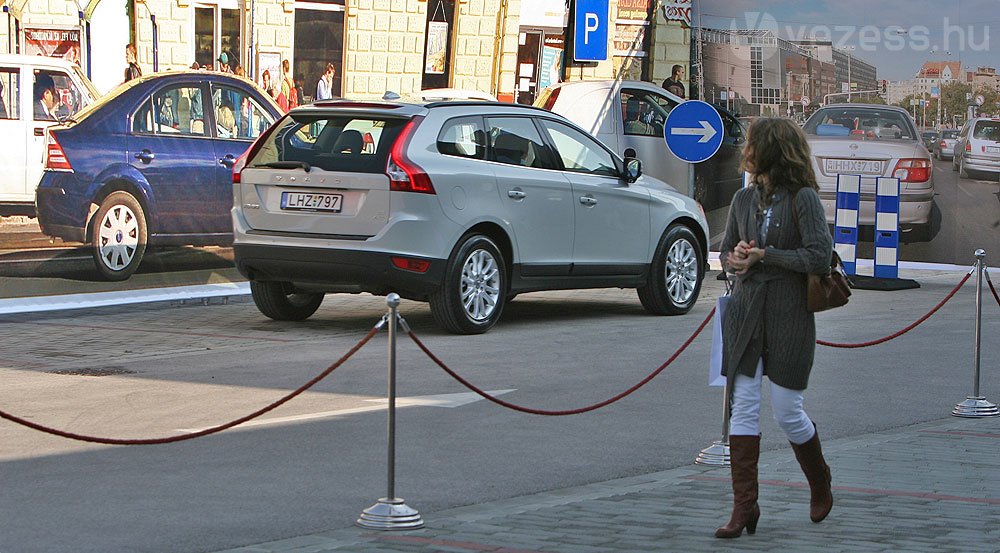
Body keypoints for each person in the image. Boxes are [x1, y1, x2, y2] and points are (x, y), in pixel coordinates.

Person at [715, 117, 835, 539]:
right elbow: (727, 250)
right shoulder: (743, 199)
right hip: (746, 312)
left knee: (788, 410)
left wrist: (766, 256)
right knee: (743, 407)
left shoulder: (803, 199)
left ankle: (820, 479)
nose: (746, 152)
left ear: (772, 151)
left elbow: (820, 258)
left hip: (788, 316)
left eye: (752, 145)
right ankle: (744, 506)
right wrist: (738, 256)